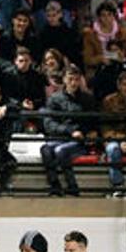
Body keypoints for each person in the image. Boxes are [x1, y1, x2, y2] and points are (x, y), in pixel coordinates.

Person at [41, 66, 96, 196]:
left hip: (79, 139)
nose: (73, 83)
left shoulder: (87, 99)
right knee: (46, 149)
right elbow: (49, 123)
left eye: (76, 79)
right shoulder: (54, 98)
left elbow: (92, 121)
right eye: (70, 79)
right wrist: (69, 130)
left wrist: (86, 132)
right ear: (64, 79)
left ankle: (72, 186)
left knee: (61, 151)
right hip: (60, 137)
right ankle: (54, 185)